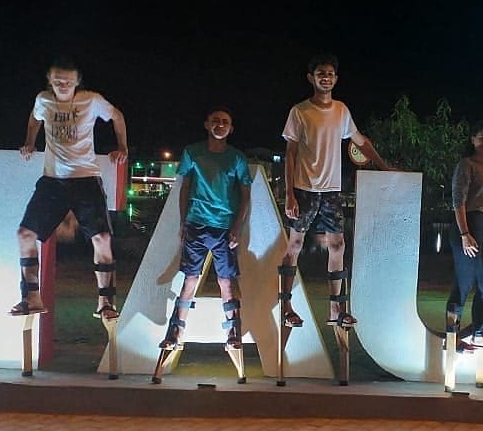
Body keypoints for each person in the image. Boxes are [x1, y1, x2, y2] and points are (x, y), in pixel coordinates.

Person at [279, 52, 391, 329]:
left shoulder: (341, 111)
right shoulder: (299, 111)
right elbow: (290, 153)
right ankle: (286, 306)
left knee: (338, 245)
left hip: (331, 190)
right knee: (295, 245)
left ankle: (336, 309)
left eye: (330, 74)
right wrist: (290, 193)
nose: (326, 78)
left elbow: (360, 141)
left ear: (336, 78)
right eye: (321, 74)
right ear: (311, 78)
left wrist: (383, 166)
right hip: (304, 188)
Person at [10, 57, 128, 320]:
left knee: (102, 238)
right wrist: (30, 142)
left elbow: (117, 116)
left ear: (77, 82)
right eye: (58, 81)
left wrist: (123, 147)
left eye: (68, 81)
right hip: (53, 180)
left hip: (86, 178)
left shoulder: (91, 100)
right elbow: (34, 119)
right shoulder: (43, 100)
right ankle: (31, 297)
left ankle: (106, 302)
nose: (63, 85)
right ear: (50, 82)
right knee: (25, 234)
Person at [160, 106, 252, 350]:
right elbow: (184, 188)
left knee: (226, 281)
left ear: (231, 128)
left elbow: (245, 195)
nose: (220, 125)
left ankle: (233, 331)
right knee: (189, 279)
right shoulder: (192, 152)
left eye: (225, 122)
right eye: (216, 120)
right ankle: (176, 331)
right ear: (207, 124)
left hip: (224, 227)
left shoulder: (237, 158)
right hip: (196, 224)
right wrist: (183, 222)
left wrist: (237, 227)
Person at [446, 119, 483, 352]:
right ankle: (452, 338)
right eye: (482, 138)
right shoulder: (466, 164)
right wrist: (465, 233)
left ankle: (479, 333)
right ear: (472, 140)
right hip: (466, 225)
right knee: (463, 283)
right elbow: (458, 200)